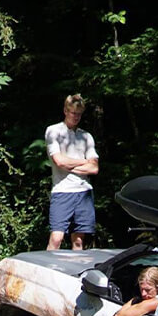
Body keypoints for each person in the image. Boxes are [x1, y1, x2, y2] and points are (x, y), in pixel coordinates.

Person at [45, 94, 99, 251]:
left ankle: (76, 274)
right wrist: (84, 162)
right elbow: (58, 161)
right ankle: (48, 271)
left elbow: (94, 168)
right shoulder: (53, 131)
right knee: (56, 238)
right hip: (62, 191)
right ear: (65, 111)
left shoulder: (86, 136)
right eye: (73, 113)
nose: (76, 117)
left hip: (83, 192)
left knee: (78, 241)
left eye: (79, 114)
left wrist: (68, 165)